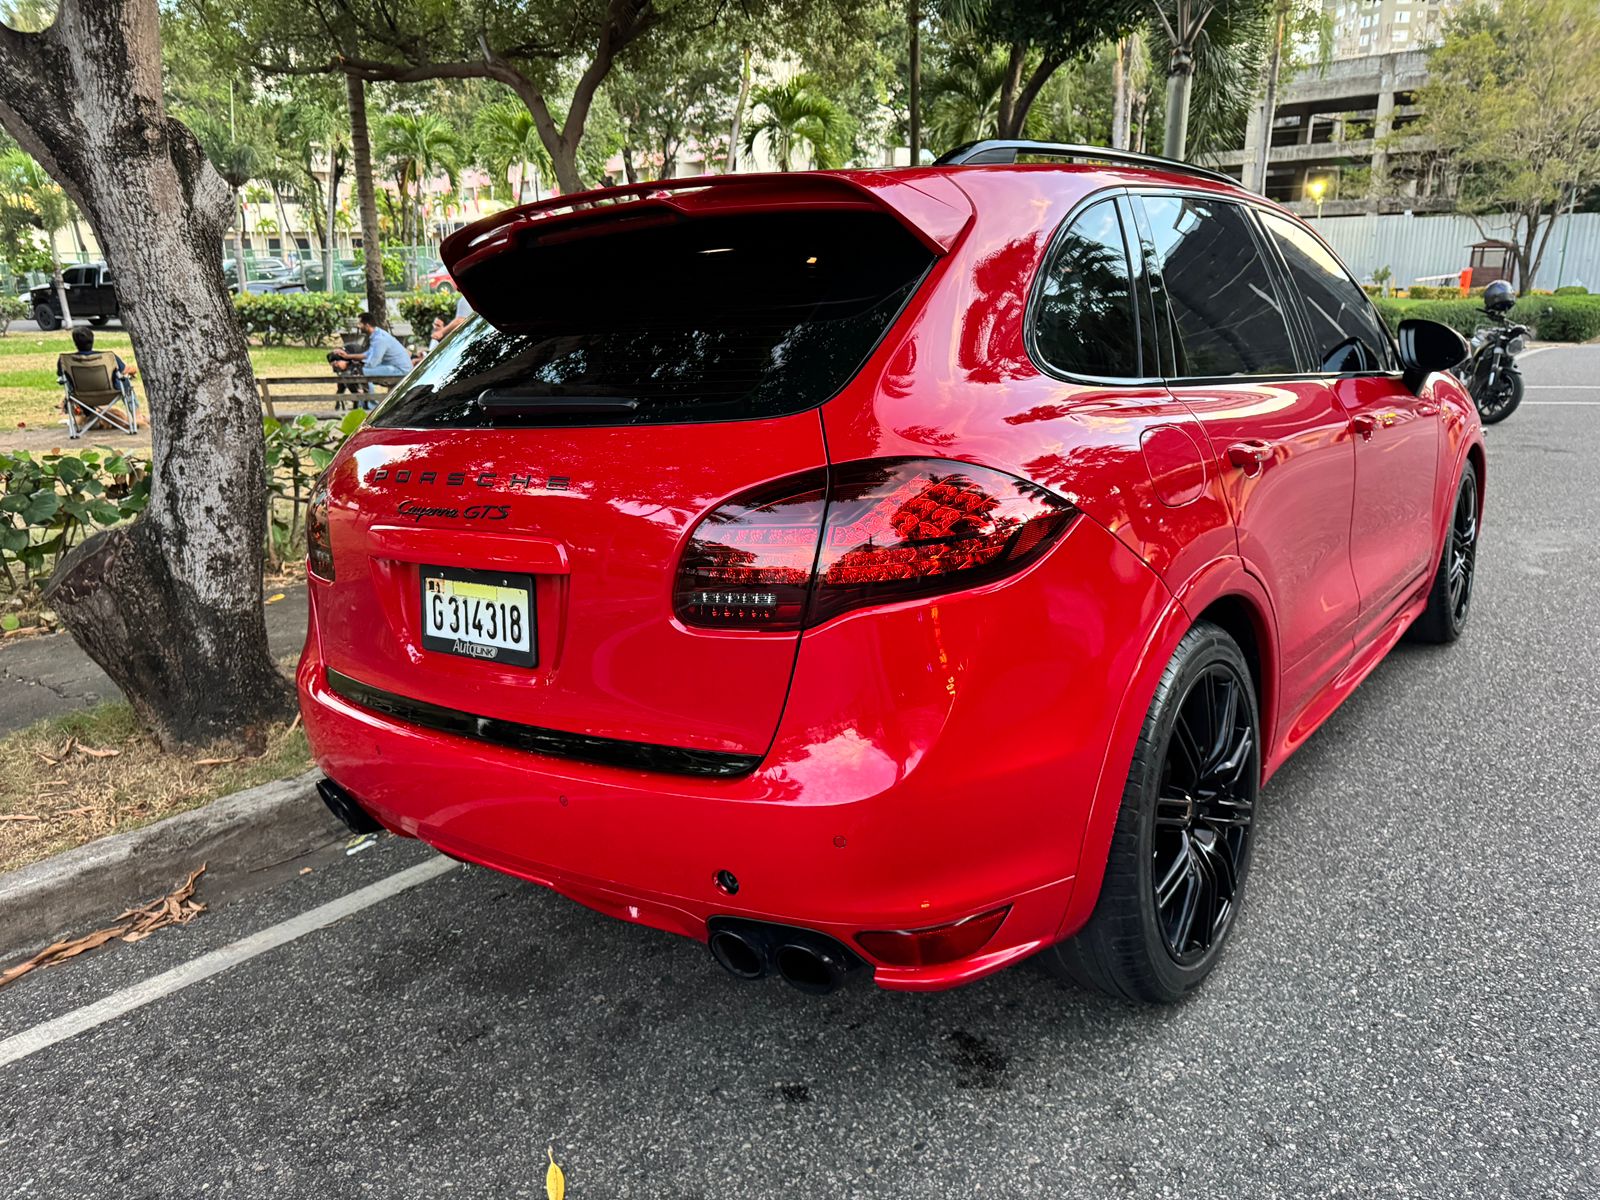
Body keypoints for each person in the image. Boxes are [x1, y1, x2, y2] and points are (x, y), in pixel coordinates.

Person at [330, 312, 413, 409]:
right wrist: (348, 356)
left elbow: (372, 363)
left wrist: (350, 364)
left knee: (358, 372)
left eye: (360, 323)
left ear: (367, 325)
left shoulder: (380, 339)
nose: (358, 326)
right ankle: (365, 404)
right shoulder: (376, 336)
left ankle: (370, 406)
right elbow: (367, 354)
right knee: (358, 370)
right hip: (391, 367)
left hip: (400, 370)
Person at [59, 324, 138, 402]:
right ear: (92, 340)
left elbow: (60, 375)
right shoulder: (108, 357)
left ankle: (89, 413)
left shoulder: (65, 360)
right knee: (124, 380)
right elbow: (125, 370)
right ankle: (137, 413)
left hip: (80, 396)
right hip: (110, 393)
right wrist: (134, 370)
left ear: (75, 343)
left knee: (68, 380)